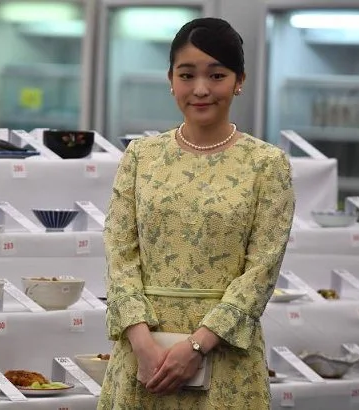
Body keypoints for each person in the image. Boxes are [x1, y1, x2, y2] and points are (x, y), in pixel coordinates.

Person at [98, 17, 295, 409]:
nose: (201, 89)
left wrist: (196, 346)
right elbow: (119, 255)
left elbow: (261, 271)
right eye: (187, 75)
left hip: (225, 358)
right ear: (170, 78)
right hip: (143, 358)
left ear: (239, 80)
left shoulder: (267, 164)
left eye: (216, 75)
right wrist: (141, 341)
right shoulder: (140, 156)